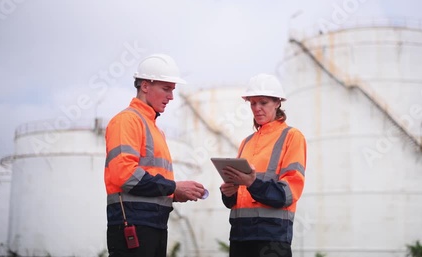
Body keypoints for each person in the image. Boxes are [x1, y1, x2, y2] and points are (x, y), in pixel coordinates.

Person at [105, 53, 206, 257]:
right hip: (133, 224)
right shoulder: (127, 121)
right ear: (145, 86)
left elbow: (150, 179)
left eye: (172, 90)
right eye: (166, 89)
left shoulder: (155, 129)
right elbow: (125, 175)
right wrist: (174, 187)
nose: (171, 97)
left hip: (154, 225)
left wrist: (175, 194)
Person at [220, 73, 307, 257]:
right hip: (240, 237)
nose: (257, 108)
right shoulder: (246, 142)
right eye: (253, 103)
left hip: (272, 239)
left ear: (277, 102)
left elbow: (288, 193)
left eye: (263, 102)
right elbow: (238, 199)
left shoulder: (292, 137)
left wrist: (252, 183)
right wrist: (229, 193)